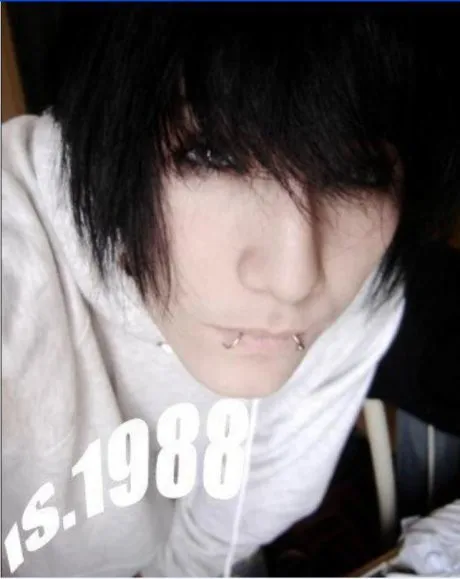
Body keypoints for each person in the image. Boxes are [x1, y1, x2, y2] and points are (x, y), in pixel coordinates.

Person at [2, 4, 459, 577]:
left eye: (358, 173)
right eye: (212, 155)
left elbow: (215, 546)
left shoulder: (362, 288)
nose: (295, 280)